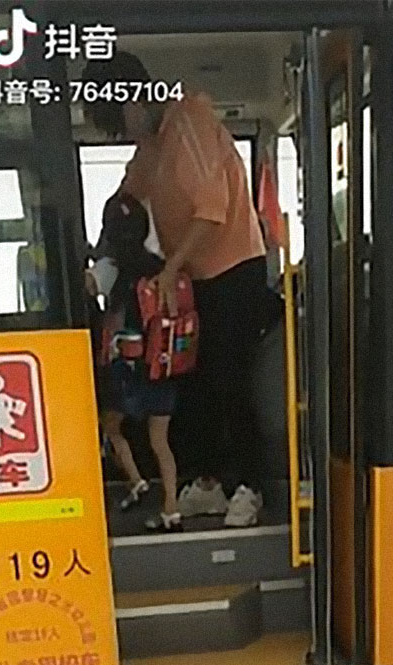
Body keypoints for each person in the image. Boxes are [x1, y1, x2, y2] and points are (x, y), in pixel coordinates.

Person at [83, 52, 268, 528]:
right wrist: (100, 251)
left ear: (132, 101)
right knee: (192, 379)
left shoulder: (189, 121)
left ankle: (251, 486)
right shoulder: (153, 144)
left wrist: (171, 269)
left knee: (230, 378)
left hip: (233, 270)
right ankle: (206, 484)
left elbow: (213, 208)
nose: (123, 133)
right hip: (196, 279)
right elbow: (126, 198)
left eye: (117, 120)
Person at [87, 192, 181, 532]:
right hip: (164, 364)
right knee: (160, 440)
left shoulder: (111, 268)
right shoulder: (159, 264)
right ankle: (171, 508)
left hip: (128, 370)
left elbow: (86, 288)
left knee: (110, 426)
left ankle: (137, 481)